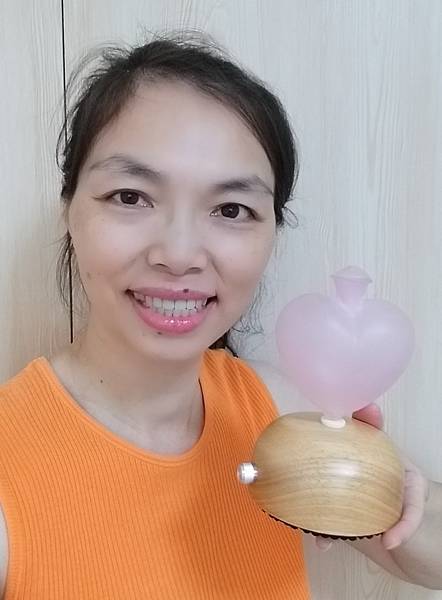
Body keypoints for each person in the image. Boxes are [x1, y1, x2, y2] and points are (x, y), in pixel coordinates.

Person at [0, 30, 440, 599]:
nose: (180, 254)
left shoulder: (278, 409)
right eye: (131, 197)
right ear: (70, 211)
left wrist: (386, 495)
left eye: (231, 209)